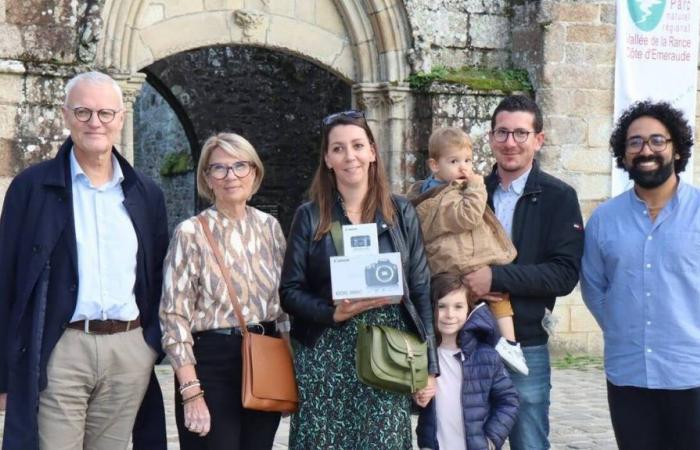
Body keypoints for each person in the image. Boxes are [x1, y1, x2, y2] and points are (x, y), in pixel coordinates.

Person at [0, 71, 168, 450]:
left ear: (121, 118)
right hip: (62, 349)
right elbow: (6, 279)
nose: (95, 123)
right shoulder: (32, 188)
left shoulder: (146, 193)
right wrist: (4, 376)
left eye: (106, 113)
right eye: (84, 112)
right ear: (65, 116)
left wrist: (149, 345)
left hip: (128, 351)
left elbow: (157, 276)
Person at [280, 110, 438, 449]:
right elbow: (289, 292)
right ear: (327, 159)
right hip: (325, 352)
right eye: (338, 148)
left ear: (372, 152)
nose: (349, 156)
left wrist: (430, 367)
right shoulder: (309, 216)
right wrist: (331, 312)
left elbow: (422, 288)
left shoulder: (400, 212)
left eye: (357, 145)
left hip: (388, 350)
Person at [463, 95, 584, 450]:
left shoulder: (559, 197)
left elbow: (563, 275)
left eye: (520, 133)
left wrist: (495, 279)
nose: (510, 142)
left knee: (529, 441)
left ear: (538, 139)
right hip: (469, 340)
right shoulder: (472, 194)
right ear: (490, 137)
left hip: (525, 342)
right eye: (502, 133)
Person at [581, 101, 700, 450]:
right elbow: (593, 286)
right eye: (634, 142)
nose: (645, 150)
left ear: (676, 149)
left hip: (691, 373)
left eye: (657, 141)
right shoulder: (604, 219)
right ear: (623, 154)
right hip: (628, 372)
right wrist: (623, 325)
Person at [160, 132, 288, 450]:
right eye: (219, 168)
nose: (231, 176)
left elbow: (284, 305)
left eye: (240, 166)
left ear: (254, 172)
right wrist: (191, 392)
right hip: (211, 364)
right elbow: (173, 316)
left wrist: (288, 369)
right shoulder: (190, 232)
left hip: (264, 356)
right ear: (207, 177)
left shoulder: (270, 227)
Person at [407, 126, 528, 375]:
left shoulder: (428, 193)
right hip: (462, 262)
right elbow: (469, 217)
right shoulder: (444, 196)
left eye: (468, 161)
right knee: (500, 299)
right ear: (434, 165)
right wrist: (477, 186)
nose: (464, 168)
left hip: (450, 264)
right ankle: (510, 344)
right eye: (454, 161)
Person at [415, 273, 519, 450]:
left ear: (468, 310)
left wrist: (492, 439)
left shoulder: (486, 356)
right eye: (441, 306)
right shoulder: (420, 355)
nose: (449, 314)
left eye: (458, 306)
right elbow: (412, 402)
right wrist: (417, 396)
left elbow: (509, 400)